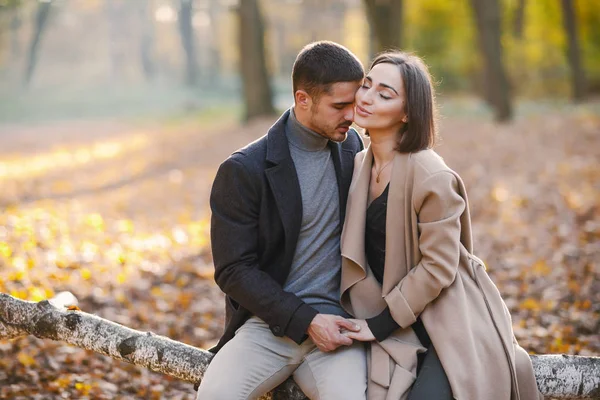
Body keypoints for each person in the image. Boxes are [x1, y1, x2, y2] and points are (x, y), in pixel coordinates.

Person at [339, 51, 544, 400]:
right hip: (387, 314)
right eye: (367, 85)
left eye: (385, 94)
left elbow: (438, 267)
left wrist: (380, 325)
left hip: (445, 319)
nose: (367, 98)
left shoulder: (431, 174)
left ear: (407, 113)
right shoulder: (359, 162)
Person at [196, 41, 368, 400]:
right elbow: (233, 271)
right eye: (340, 106)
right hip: (268, 328)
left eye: (354, 103)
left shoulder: (353, 150)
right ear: (303, 99)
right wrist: (306, 320)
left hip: (341, 328)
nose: (352, 116)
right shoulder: (244, 170)